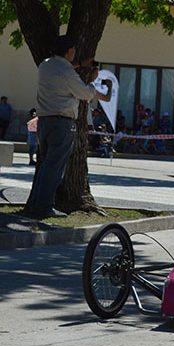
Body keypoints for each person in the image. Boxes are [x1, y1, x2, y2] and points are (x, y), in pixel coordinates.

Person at [24, 35, 111, 219]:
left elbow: (62, 71)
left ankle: (35, 204)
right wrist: (93, 79)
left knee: (45, 164)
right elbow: (84, 93)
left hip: (44, 120)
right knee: (54, 168)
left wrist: (80, 65)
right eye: (73, 50)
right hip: (62, 122)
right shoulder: (67, 71)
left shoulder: (45, 65)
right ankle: (44, 207)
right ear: (69, 51)